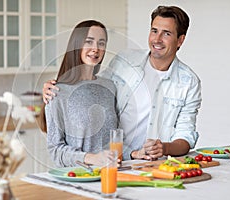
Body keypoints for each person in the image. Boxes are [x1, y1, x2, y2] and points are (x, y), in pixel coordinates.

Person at [42, 6, 202, 161]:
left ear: (180, 40)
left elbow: (186, 134)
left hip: (145, 164)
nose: (157, 39)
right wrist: (55, 88)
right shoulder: (124, 61)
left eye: (166, 33)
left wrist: (163, 148)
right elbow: (89, 86)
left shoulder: (188, 82)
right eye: (154, 31)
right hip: (108, 165)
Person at [39, 20, 118, 167]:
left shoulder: (109, 87)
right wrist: (91, 158)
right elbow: (55, 150)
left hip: (111, 174)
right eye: (89, 42)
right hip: (78, 177)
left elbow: (114, 142)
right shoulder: (56, 92)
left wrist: (134, 154)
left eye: (101, 43)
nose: (96, 48)